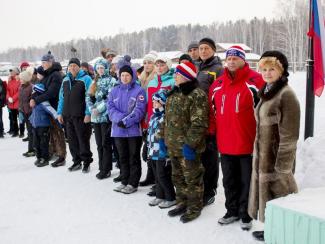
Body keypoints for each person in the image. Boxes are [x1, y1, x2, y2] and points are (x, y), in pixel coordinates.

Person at [209, 46, 265, 230]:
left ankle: (246, 214)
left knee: (246, 181)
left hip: (247, 142)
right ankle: (231, 211)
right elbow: (212, 112)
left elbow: (265, 110)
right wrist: (211, 133)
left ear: (244, 60)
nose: (231, 61)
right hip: (225, 142)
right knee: (228, 180)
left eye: (236, 58)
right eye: (229, 58)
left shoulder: (255, 81)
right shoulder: (217, 84)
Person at [248, 51, 300, 242]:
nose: (267, 73)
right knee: (268, 197)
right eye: (264, 69)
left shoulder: (286, 95)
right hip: (263, 157)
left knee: (282, 196)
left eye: (272, 69)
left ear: (281, 71)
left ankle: (285, 232)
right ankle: (272, 228)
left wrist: (283, 166)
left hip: (277, 159)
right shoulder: (267, 92)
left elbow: (290, 134)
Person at [165, 61, 208, 223]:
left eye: (178, 74)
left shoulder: (196, 94)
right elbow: (167, 119)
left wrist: (190, 145)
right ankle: (182, 202)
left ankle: (194, 207)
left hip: (188, 147)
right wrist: (163, 139)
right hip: (173, 145)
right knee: (178, 177)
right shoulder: (173, 93)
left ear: (186, 76)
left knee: (192, 179)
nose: (175, 76)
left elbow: (199, 123)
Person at [107, 64, 146, 194]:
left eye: (127, 75)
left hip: (134, 131)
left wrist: (127, 121)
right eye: (122, 75)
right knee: (122, 157)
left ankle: (133, 183)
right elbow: (110, 109)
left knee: (133, 157)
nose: (124, 77)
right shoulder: (114, 91)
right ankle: (124, 180)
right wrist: (121, 119)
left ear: (132, 76)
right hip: (118, 130)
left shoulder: (139, 90)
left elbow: (140, 110)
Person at [140, 55, 175, 192]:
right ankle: (155, 181)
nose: (159, 68)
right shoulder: (152, 82)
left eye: (162, 65)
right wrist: (146, 121)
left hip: (165, 122)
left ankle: (164, 185)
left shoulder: (172, 81)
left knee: (163, 156)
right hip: (152, 121)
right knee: (151, 153)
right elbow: (149, 104)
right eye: (158, 65)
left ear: (168, 66)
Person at [197, 37, 224, 206]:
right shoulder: (197, 67)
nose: (203, 51)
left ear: (213, 50)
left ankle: (210, 190)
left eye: (207, 48)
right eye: (201, 48)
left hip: (211, 118)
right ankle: (201, 188)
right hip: (197, 119)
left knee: (210, 157)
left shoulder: (218, 69)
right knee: (200, 156)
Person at [30, 52, 67, 167]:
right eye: (42, 62)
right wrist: (34, 97)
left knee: (57, 132)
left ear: (51, 62)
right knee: (50, 133)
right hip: (46, 107)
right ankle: (53, 152)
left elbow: (52, 92)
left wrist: (37, 100)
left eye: (45, 62)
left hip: (54, 107)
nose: (43, 65)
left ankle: (61, 157)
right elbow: (40, 89)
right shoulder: (47, 74)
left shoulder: (55, 74)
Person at [57, 58, 93, 173]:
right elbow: (61, 98)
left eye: (75, 66)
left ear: (79, 67)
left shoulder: (86, 79)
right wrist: (59, 113)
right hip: (68, 115)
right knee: (72, 140)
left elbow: (89, 98)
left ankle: (86, 162)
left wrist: (88, 113)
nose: (72, 68)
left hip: (81, 116)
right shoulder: (65, 80)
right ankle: (76, 161)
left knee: (83, 140)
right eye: (70, 65)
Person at [86, 58, 118, 179]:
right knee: (99, 144)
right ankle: (101, 167)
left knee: (105, 143)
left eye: (102, 68)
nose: (100, 70)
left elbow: (110, 98)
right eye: (98, 68)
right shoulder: (94, 82)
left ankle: (107, 168)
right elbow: (88, 97)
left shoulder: (112, 80)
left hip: (105, 117)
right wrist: (91, 109)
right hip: (95, 117)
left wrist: (99, 109)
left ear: (106, 69)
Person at [147, 89, 176, 208]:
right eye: (153, 101)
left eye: (157, 101)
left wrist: (167, 152)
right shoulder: (154, 116)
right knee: (157, 176)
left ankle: (170, 197)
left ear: (163, 103)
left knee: (163, 175)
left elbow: (168, 136)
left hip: (162, 152)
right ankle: (160, 195)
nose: (154, 103)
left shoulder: (166, 117)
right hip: (153, 151)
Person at [30, 83, 60, 167]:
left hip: (43, 126)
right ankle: (39, 157)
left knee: (43, 143)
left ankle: (45, 159)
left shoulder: (43, 102)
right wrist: (31, 119)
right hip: (35, 126)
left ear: (38, 92)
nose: (32, 93)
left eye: (34, 91)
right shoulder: (35, 102)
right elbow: (34, 113)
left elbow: (52, 111)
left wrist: (58, 118)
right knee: (36, 143)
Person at [18, 71, 34, 157]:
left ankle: (32, 149)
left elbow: (32, 100)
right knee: (29, 131)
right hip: (24, 112)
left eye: (21, 78)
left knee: (32, 132)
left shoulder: (31, 87)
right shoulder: (20, 87)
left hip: (30, 112)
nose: (20, 80)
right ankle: (31, 149)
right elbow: (20, 100)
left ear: (26, 79)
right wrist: (20, 110)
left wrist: (29, 108)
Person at [6, 67, 20, 137]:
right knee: (13, 118)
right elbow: (7, 90)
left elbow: (19, 91)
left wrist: (13, 98)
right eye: (10, 71)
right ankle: (15, 131)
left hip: (18, 102)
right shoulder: (9, 80)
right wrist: (8, 98)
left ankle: (22, 131)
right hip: (11, 103)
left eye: (12, 71)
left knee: (20, 118)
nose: (11, 72)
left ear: (16, 72)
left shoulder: (19, 79)